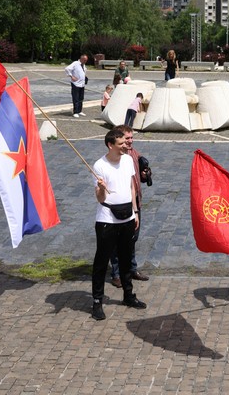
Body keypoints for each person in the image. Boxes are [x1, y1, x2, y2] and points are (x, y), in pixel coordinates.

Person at [90, 129, 147, 320]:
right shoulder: (99, 166)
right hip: (107, 220)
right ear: (110, 145)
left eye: (125, 142)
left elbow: (132, 187)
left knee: (126, 259)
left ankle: (128, 296)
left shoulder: (128, 160)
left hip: (128, 217)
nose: (126, 145)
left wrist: (135, 211)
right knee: (101, 262)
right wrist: (101, 188)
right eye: (121, 143)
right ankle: (97, 302)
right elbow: (100, 199)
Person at [109, 125, 150, 288]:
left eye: (132, 138)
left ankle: (131, 269)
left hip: (135, 202)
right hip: (120, 204)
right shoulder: (115, 158)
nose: (130, 141)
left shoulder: (133, 153)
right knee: (117, 241)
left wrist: (145, 174)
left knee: (132, 238)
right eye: (127, 138)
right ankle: (117, 273)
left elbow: (138, 175)